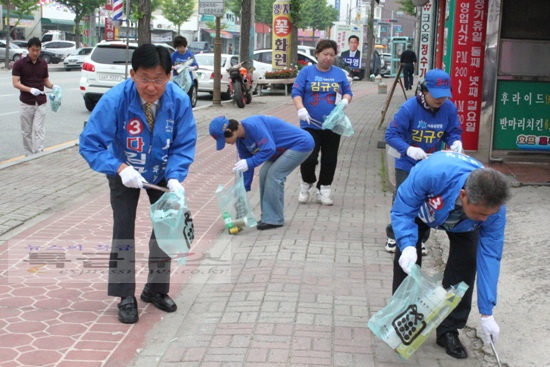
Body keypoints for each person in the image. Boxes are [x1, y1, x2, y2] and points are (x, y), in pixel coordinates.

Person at [79, 44, 197, 324]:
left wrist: (175, 177)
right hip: (125, 170)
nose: (151, 86)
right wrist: (118, 167)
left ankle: (155, 290)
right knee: (123, 230)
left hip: (161, 172)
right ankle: (125, 296)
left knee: (166, 228)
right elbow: (90, 143)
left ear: (169, 76)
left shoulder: (179, 101)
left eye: (158, 78)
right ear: (132, 74)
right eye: (144, 77)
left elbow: (184, 144)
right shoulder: (115, 100)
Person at [391, 150, 510, 359]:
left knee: (466, 264)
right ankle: (403, 321)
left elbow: (490, 256)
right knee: (407, 261)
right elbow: (403, 210)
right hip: (422, 211)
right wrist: (407, 243)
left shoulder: (492, 211)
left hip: (463, 224)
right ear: (463, 195)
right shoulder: (432, 173)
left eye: (489, 215)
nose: (485, 220)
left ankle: (449, 329)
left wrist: (486, 312)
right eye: (481, 213)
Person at [384, 68, 463, 254]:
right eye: (436, 95)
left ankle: (420, 239)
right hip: (407, 163)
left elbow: (453, 131)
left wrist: (455, 142)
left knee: (428, 202)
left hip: (431, 164)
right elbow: (391, 134)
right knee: (404, 200)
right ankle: (394, 235)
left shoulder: (449, 108)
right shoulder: (410, 107)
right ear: (424, 90)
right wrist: (408, 149)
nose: (440, 100)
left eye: (444, 95)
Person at [209, 115, 314, 230]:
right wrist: (242, 190)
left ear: (229, 131)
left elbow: (268, 149)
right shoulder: (240, 140)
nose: (226, 143)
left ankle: (274, 219)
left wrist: (249, 162)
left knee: (274, 175)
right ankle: (268, 217)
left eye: (224, 140)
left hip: (301, 144)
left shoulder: (253, 125)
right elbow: (247, 165)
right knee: (264, 174)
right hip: (281, 150)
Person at [292, 39, 353, 206]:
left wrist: (345, 101)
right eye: (325, 54)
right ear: (317, 54)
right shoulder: (306, 72)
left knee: (329, 158)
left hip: (333, 123)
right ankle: (306, 183)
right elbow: (296, 91)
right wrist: (300, 108)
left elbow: (348, 92)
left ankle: (324, 189)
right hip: (310, 123)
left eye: (332, 55)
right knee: (309, 157)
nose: (328, 58)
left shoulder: (339, 73)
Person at [12, 37, 60, 157]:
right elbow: (15, 83)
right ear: (28, 49)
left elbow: (45, 81)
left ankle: (39, 153)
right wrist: (30, 90)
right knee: (26, 131)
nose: (35, 53)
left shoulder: (43, 64)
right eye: (33, 50)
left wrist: (53, 86)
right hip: (26, 102)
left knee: (39, 129)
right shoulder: (19, 64)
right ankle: (28, 154)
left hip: (40, 102)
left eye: (37, 50)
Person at [171, 35, 198, 101]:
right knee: (177, 100)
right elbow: (168, 66)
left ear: (184, 46)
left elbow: (196, 66)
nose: (179, 49)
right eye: (177, 47)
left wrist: (191, 68)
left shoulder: (189, 55)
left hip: (187, 82)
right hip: (177, 82)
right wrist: (175, 67)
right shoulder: (174, 55)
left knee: (187, 100)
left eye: (181, 47)